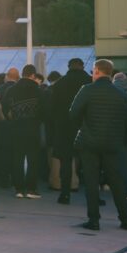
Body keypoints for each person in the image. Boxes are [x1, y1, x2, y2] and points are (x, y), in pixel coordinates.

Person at [68, 59, 127, 231]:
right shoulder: (121, 94)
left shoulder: (87, 90)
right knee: (116, 181)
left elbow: (73, 113)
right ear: (110, 72)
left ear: (96, 71)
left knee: (91, 181)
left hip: (89, 142)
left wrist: (84, 125)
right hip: (113, 143)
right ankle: (125, 219)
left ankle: (94, 219)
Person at [49, 58, 91, 204]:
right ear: (82, 66)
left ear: (69, 66)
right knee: (90, 162)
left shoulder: (60, 83)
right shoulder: (89, 81)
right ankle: (93, 196)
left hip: (64, 127)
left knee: (65, 161)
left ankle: (65, 193)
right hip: (86, 127)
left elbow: (52, 107)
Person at [6, 64, 44, 199]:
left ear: (22, 74)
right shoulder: (38, 90)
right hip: (33, 129)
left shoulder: (11, 90)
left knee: (17, 158)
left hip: (16, 129)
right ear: (33, 75)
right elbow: (44, 111)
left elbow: (6, 110)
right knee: (33, 159)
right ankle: (31, 189)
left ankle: (19, 189)